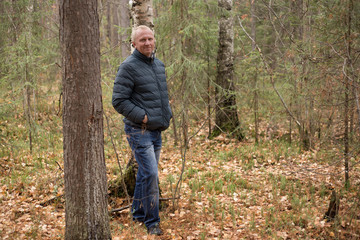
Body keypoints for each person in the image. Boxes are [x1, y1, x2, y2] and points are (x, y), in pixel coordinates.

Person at [112, 25, 172, 236]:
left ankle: (137, 214)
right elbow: (119, 101)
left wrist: (168, 113)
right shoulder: (128, 67)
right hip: (139, 131)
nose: (147, 43)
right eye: (142, 40)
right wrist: (143, 116)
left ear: (154, 40)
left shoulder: (159, 65)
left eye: (150, 39)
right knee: (151, 174)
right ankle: (152, 221)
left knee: (146, 175)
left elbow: (161, 96)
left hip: (156, 130)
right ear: (134, 44)